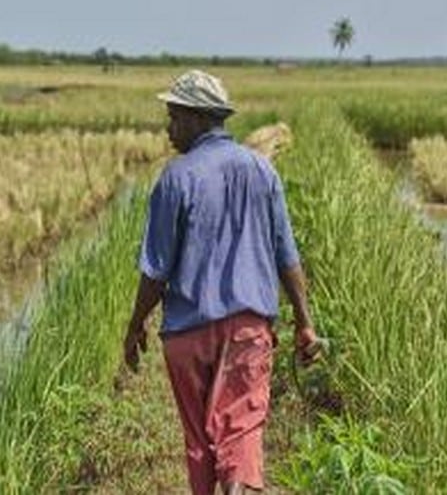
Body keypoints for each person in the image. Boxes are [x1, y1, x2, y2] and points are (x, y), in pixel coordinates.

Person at [123, 70, 322, 495]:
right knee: (240, 434)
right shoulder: (262, 171)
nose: (169, 129)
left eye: (175, 117)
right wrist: (305, 322)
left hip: (187, 334)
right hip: (247, 330)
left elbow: (155, 271)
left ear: (198, 118)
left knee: (199, 442)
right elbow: (287, 255)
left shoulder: (176, 178)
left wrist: (135, 323)